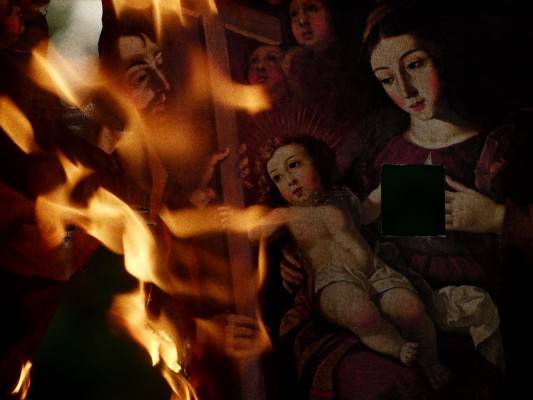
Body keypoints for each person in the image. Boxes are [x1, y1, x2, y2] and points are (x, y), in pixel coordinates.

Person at [280, 1, 532, 398]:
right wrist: (303, 255)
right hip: (391, 308)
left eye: (414, 65)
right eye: (386, 78)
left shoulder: (502, 147)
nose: (405, 90)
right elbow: (334, 218)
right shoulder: (375, 147)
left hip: (480, 318)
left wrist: (499, 218)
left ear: (443, 54)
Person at [223, 134, 451, 390]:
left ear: (318, 162)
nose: (289, 179)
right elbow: (254, 231)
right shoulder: (288, 215)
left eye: (294, 165)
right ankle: (397, 347)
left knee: (412, 309)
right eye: (278, 177)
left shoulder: (341, 195)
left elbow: (364, 214)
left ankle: (430, 361)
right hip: (334, 283)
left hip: (376, 273)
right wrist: (238, 218)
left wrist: (388, 191)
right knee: (361, 314)